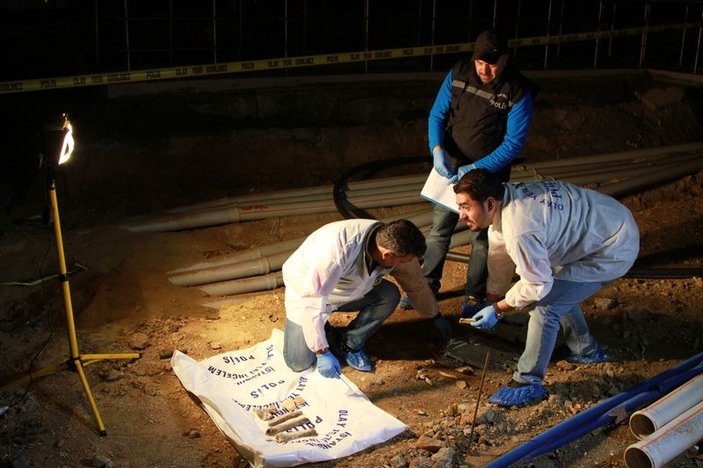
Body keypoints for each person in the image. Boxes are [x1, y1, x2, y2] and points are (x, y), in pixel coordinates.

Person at [453, 169, 639, 406]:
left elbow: (537, 285)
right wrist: (492, 297)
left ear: (489, 203)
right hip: (604, 221)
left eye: (466, 207)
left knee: (544, 307)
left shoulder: (520, 229)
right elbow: (499, 252)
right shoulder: (506, 198)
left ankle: (528, 382)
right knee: (557, 291)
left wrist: (499, 309)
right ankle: (585, 350)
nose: (461, 215)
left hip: (612, 247)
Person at [400, 29, 538, 315]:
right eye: (480, 63)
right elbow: (437, 115)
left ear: (505, 59)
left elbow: (513, 144)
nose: (485, 70)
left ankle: (474, 295)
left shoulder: (518, 90)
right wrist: (437, 149)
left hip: (487, 178)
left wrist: (475, 168)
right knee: (439, 231)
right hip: (450, 171)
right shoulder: (459, 73)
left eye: (492, 64)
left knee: (482, 238)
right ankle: (426, 285)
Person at [282, 218, 452, 379]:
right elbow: (312, 301)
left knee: (389, 295)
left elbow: (415, 283)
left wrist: (434, 315)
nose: (405, 264)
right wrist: (321, 351)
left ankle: (348, 343)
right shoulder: (335, 253)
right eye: (402, 261)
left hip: (349, 291)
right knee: (298, 362)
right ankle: (323, 329)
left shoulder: (394, 244)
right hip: (307, 294)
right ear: (387, 255)